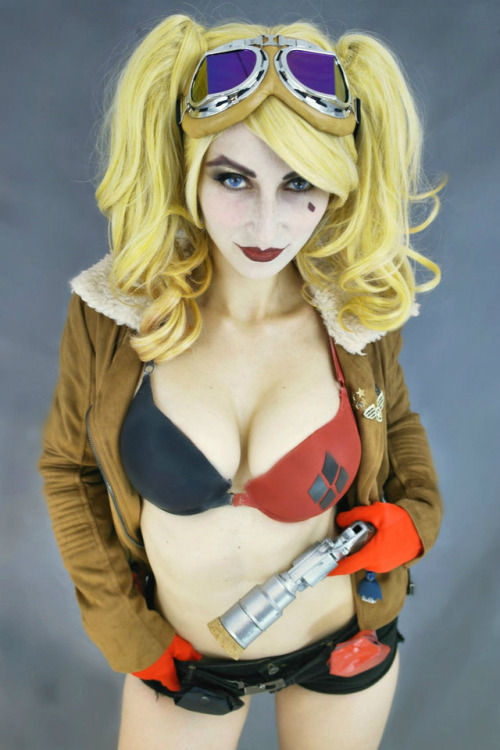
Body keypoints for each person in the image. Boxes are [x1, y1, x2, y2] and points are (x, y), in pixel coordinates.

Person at [39, 14, 443, 750]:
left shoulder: (353, 315)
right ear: (189, 171)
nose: (266, 223)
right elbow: (69, 470)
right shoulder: (116, 315)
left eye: (299, 184)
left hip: (344, 642)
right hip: (186, 664)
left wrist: (417, 518)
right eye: (233, 178)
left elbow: (397, 423)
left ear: (335, 185)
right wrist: (129, 634)